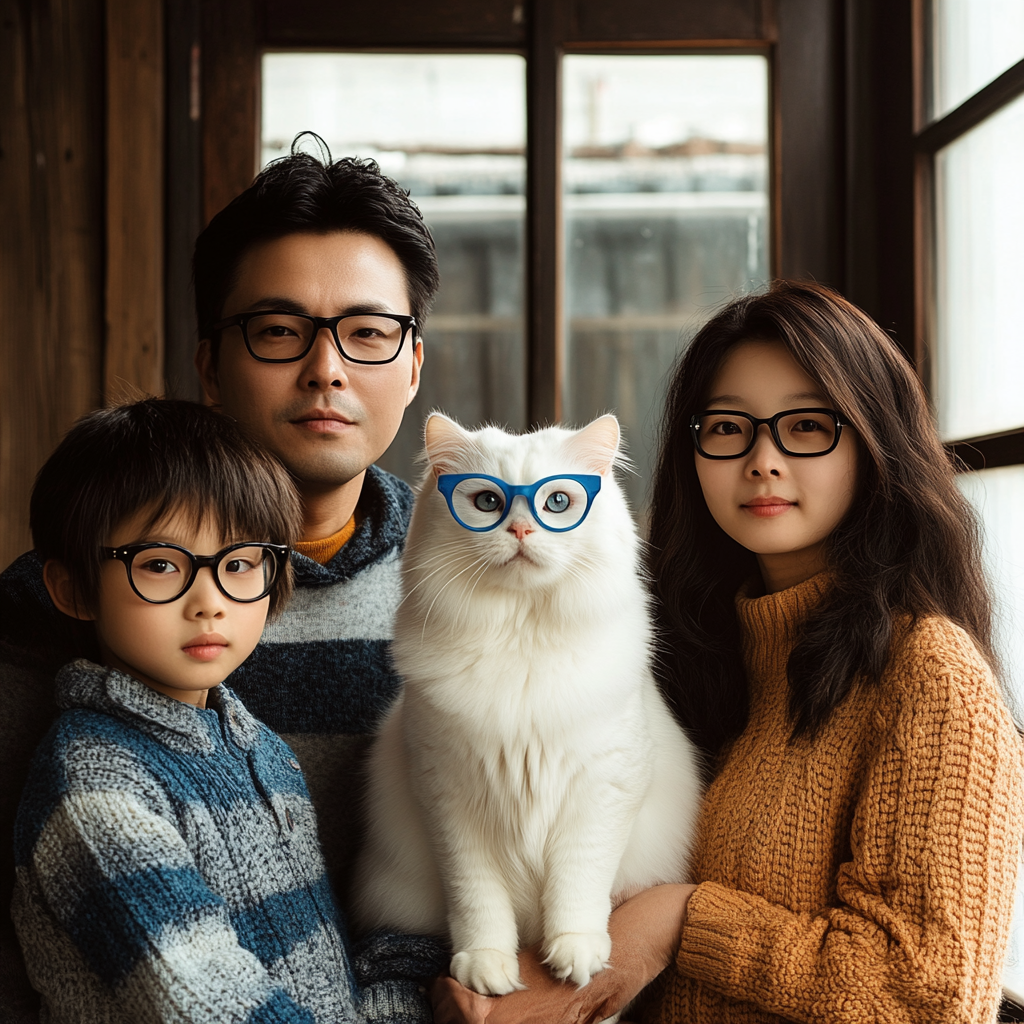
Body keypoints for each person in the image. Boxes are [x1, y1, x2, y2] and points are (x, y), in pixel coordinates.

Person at [431, 280, 1024, 1024]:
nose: (762, 460)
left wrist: (679, 917)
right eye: (727, 428)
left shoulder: (930, 674)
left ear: (877, 444)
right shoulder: (704, 651)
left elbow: (928, 998)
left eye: (807, 426)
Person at [0, 143, 443, 1022]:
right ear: (210, 364)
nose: (327, 369)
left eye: (367, 332)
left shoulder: (466, 585)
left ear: (413, 365)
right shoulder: (50, 613)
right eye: (280, 331)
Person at [13, 397, 368, 1022]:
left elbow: (323, 966)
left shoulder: (258, 746)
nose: (209, 602)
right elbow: (209, 1003)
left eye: (237, 563)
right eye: (158, 565)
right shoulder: (95, 789)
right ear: (73, 589)